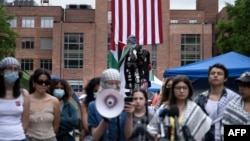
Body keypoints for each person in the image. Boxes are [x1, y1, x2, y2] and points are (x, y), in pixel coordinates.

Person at [147, 75, 212, 141]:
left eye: (184, 88)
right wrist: (159, 137)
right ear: (173, 90)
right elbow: (152, 128)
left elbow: (203, 130)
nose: (181, 91)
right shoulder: (165, 108)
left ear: (189, 89)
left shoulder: (195, 109)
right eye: (178, 88)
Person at [194, 63, 239, 141]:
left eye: (219, 74)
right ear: (209, 78)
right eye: (212, 73)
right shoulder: (200, 98)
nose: (215, 75)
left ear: (225, 79)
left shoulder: (235, 98)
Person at [88, 68, 135, 141]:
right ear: (103, 84)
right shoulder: (93, 106)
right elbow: (95, 137)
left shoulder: (125, 105)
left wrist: (129, 116)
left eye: (117, 83)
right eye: (110, 83)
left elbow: (128, 136)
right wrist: (105, 120)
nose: (114, 86)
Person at [0, 57, 30, 141]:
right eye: (9, 68)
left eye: (16, 69)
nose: (13, 72)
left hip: (19, 137)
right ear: (2, 72)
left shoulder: (24, 94)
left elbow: (25, 121)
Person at [26, 68, 60, 141]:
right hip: (29, 138)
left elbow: (56, 125)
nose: (43, 84)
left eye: (46, 82)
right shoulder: (26, 99)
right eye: (40, 82)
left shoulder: (54, 101)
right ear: (34, 83)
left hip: (50, 138)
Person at [221, 72, 250, 136]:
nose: (241, 88)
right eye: (240, 85)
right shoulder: (232, 105)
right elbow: (225, 132)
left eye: (245, 85)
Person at [79, 76, 100, 141]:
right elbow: (86, 126)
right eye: (95, 91)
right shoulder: (85, 104)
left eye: (100, 90)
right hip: (91, 136)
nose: (98, 93)